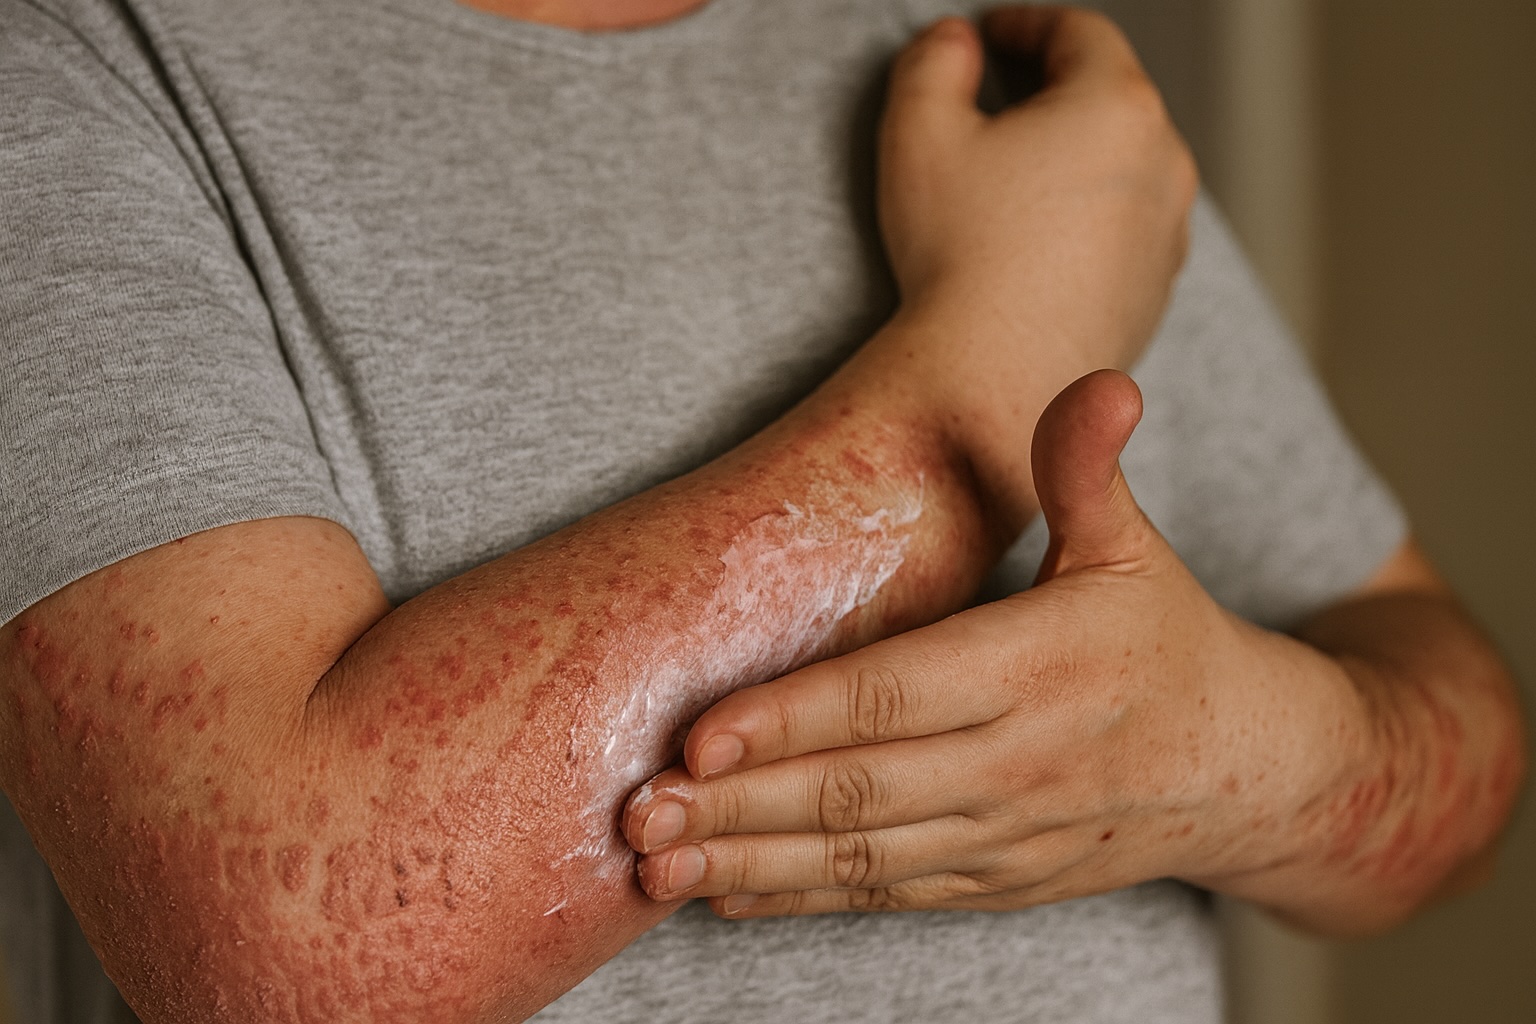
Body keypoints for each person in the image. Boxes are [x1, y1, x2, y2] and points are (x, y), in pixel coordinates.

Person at [0, 1, 1522, 1022]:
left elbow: (1455, 742)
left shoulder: (982, 71)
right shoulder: (65, 71)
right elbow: (305, 936)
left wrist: (1257, 762)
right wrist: (1005, 354)